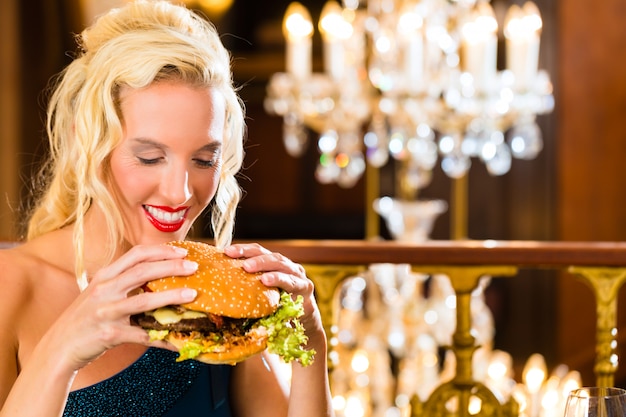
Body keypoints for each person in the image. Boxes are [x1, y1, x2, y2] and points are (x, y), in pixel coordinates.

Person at [0, 1, 333, 416]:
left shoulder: (221, 306)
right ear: (85, 142)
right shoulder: (10, 286)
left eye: (204, 160)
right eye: (149, 158)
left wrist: (311, 344)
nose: (180, 193)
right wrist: (63, 349)